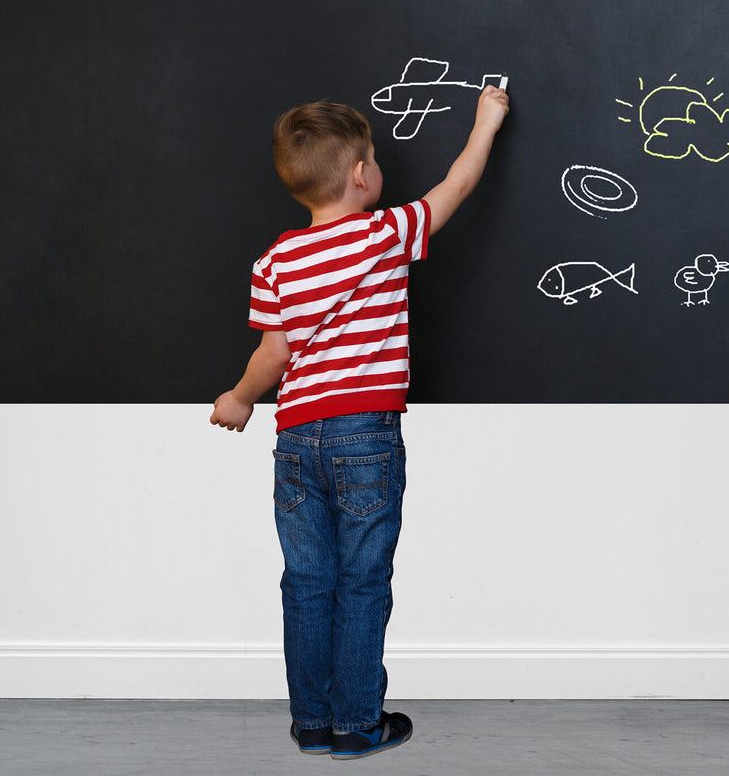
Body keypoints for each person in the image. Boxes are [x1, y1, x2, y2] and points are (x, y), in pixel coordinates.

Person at [210, 87, 510, 759]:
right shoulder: (384, 234)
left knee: (307, 581)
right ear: (361, 175)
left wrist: (238, 398)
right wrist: (485, 122)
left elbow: (274, 353)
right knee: (363, 580)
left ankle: (311, 721)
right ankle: (355, 725)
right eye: (373, 156)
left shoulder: (276, 261)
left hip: (296, 437)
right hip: (363, 435)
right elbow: (454, 188)